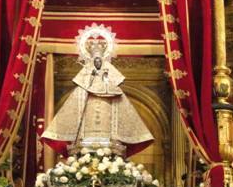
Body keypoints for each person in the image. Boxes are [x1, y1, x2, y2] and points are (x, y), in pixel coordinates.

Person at [41, 26, 153, 156]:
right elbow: (73, 108)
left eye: (100, 60)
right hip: (86, 129)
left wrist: (106, 82)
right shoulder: (82, 86)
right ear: (91, 62)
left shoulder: (110, 81)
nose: (98, 63)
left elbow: (117, 96)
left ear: (104, 62)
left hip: (108, 127)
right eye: (96, 61)